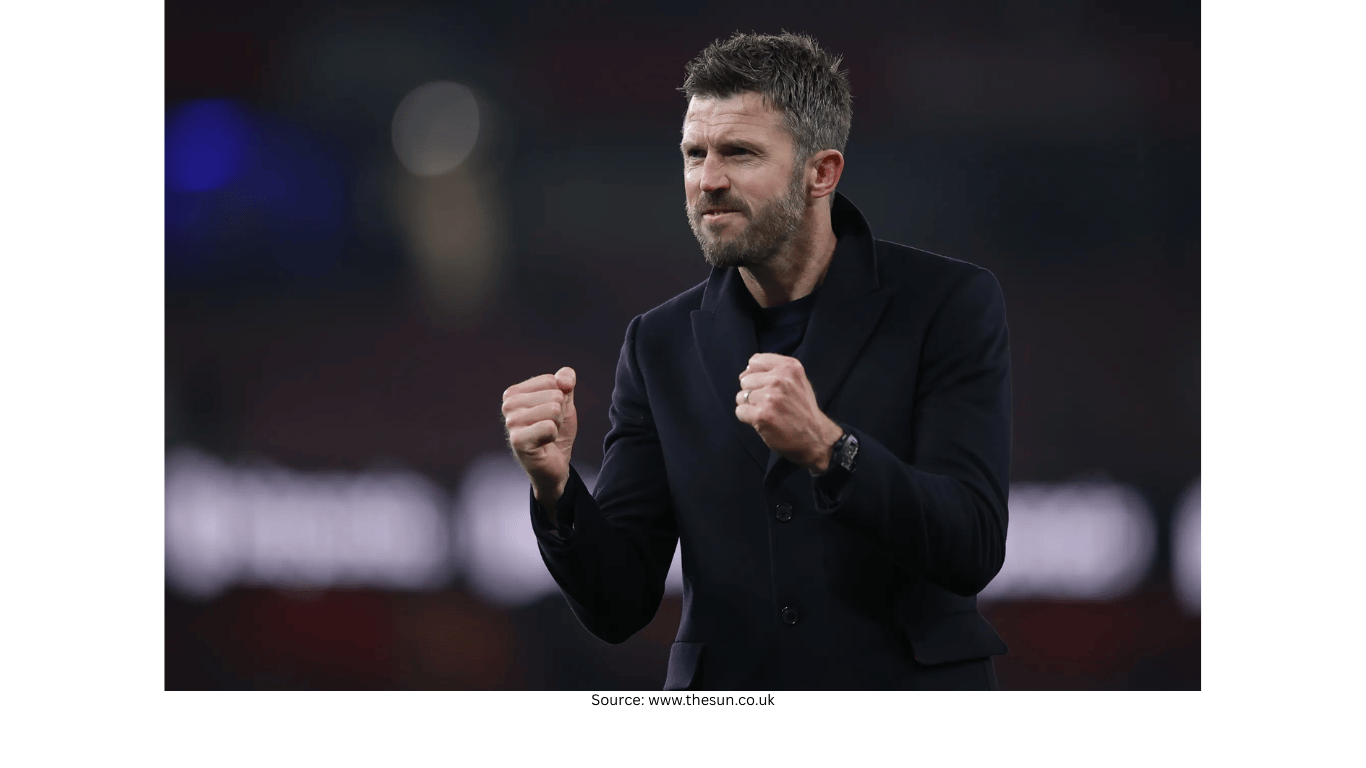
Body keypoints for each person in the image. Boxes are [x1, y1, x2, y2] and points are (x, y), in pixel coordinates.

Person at [500, 32, 1011, 690]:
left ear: (821, 172)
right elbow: (620, 604)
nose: (707, 181)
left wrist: (832, 450)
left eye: (738, 153)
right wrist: (555, 489)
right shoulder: (659, 342)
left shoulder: (947, 302)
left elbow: (972, 545)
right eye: (694, 154)